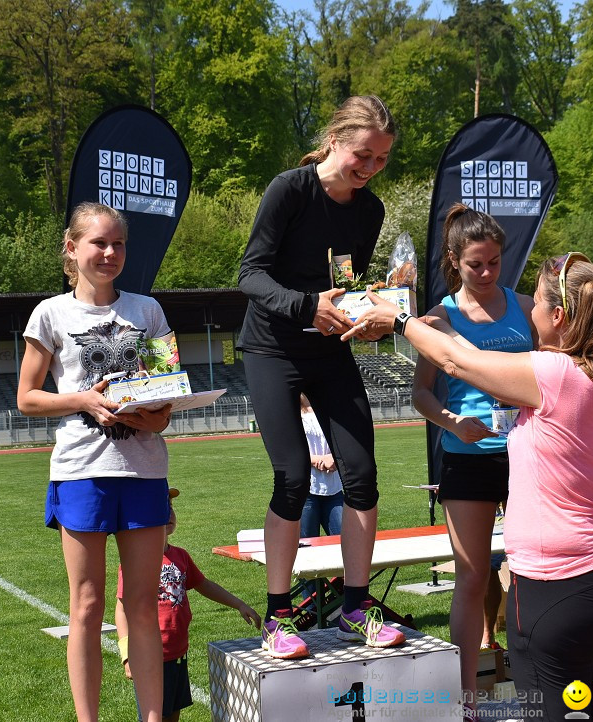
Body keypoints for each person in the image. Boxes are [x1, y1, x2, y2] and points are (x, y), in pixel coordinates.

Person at [348, 252, 593, 721]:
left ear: (558, 317)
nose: (531, 315)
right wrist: (443, 326)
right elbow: (466, 354)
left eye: (538, 307)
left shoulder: (552, 375)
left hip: (559, 586)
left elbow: (458, 363)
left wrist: (399, 319)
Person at [236, 94, 405, 659]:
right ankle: (278, 616)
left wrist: (372, 315)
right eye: (364, 155)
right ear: (335, 140)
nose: (370, 168)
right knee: (292, 479)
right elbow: (250, 275)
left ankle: (356, 605)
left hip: (330, 350)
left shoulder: (370, 211)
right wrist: (307, 306)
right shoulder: (290, 188)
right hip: (272, 348)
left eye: (381, 160)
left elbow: (347, 283)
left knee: (362, 474)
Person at [17, 201, 175, 722]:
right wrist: (84, 400)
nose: (110, 253)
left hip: (144, 472)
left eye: (119, 244)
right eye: (99, 243)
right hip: (82, 470)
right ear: (72, 248)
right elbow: (27, 398)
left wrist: (156, 416)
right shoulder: (50, 313)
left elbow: (166, 396)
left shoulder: (149, 310)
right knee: (86, 607)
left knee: (143, 607)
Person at [411, 203, 535, 706]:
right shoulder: (438, 319)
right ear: (454, 260)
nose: (486, 273)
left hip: (527, 455)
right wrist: (452, 423)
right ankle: (464, 697)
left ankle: (535, 684)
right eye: (475, 265)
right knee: (472, 574)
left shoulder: (525, 306)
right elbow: (421, 392)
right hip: (467, 457)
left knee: (532, 569)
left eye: (494, 262)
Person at [115, 488, 261, 722]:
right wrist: (126, 654)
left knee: (172, 714)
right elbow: (122, 609)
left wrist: (239, 604)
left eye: (171, 507)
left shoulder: (180, 556)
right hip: (148, 655)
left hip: (178, 653)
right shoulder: (135, 559)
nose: (170, 513)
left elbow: (203, 584)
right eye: (163, 507)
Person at [299, 392, 343, 541]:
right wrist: (316, 459)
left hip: (334, 489)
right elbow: (286, 450)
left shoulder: (330, 407)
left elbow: (344, 441)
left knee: (347, 542)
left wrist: (336, 457)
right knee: (307, 547)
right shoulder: (289, 410)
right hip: (306, 491)